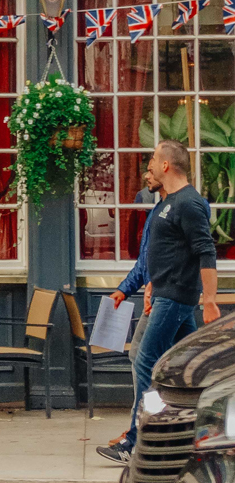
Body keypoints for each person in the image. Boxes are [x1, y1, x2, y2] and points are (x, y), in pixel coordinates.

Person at [97, 140, 219, 463]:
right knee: (189, 370)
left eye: (153, 158)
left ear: (166, 165)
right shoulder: (168, 204)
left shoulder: (189, 203)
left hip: (174, 298)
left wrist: (209, 300)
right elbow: (160, 255)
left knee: (145, 361)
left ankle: (138, 441)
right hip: (164, 294)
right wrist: (146, 283)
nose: (148, 164)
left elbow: (205, 251)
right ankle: (197, 433)